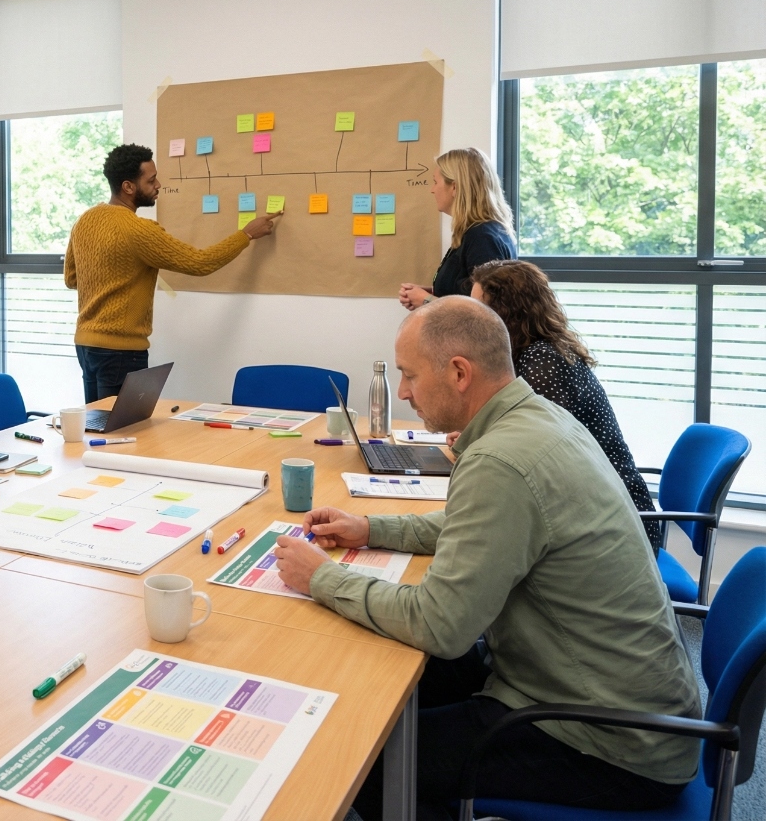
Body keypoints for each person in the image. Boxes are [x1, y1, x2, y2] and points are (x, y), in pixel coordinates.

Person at [274, 297, 699, 820]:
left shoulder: (501, 460)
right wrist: (369, 528)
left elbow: (439, 625)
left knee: (360, 757)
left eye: (409, 375)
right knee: (380, 686)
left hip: (607, 743)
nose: (403, 391)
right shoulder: (539, 419)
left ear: (458, 373)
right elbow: (478, 525)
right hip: (600, 695)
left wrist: (323, 578)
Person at [64, 143, 280, 403]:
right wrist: (246, 234)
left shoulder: (85, 221)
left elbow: (72, 279)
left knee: (96, 423)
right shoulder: (139, 230)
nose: (158, 185)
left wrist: (112, 275)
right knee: (123, 427)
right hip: (121, 351)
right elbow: (200, 263)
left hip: (86, 345)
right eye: (151, 180)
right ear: (128, 187)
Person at [472, 258, 661, 550]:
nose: (473, 320)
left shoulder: (543, 363)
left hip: (617, 529)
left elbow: (536, 455)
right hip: (596, 509)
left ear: (507, 312)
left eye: (479, 310)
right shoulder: (538, 351)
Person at [398, 147, 516, 310]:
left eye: (435, 182)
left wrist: (426, 301)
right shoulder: (477, 232)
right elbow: (468, 292)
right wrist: (432, 292)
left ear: (454, 187)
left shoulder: (482, 238)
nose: (432, 190)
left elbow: (485, 312)